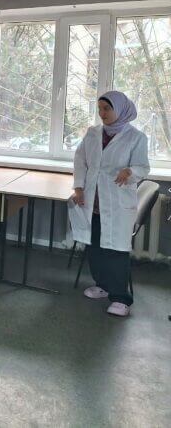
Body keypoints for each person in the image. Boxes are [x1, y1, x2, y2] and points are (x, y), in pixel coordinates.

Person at [69, 91, 150, 317]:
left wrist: (130, 172)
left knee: (116, 250)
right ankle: (102, 286)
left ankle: (121, 299)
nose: (102, 113)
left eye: (107, 109)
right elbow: (80, 160)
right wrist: (78, 187)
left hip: (117, 205)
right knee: (95, 247)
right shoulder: (93, 133)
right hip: (92, 201)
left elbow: (143, 167)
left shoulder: (136, 137)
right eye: (100, 109)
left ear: (120, 110)